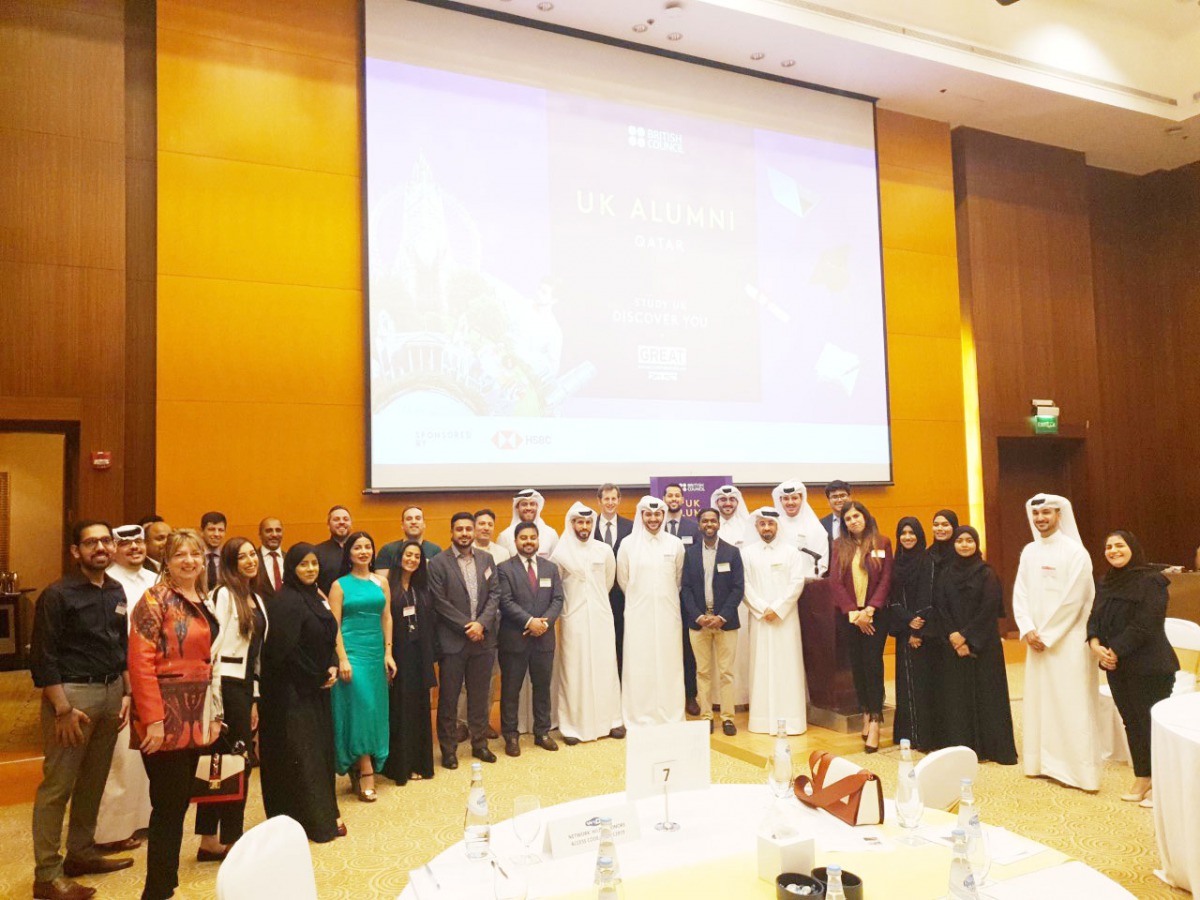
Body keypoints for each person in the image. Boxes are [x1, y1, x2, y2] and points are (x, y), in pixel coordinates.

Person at [30, 520, 134, 900]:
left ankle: (81, 853)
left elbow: (121, 648)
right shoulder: (57, 595)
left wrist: (126, 693)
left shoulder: (116, 590)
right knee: (58, 786)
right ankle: (47, 874)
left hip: (111, 694)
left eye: (106, 541)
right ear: (76, 551)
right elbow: (44, 657)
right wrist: (61, 709)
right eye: (91, 543)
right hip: (71, 699)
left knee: (93, 780)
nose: (101, 548)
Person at [128, 528, 222, 900]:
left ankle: (167, 884)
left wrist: (215, 713)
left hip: (196, 714)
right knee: (167, 806)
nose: (189, 561)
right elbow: (140, 662)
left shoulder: (205, 598)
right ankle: (156, 892)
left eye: (195, 555)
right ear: (166, 560)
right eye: (180, 554)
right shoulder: (154, 600)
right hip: (163, 716)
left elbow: (210, 661)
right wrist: (152, 719)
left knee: (181, 801)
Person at [1013, 493, 1100, 791]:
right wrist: (1027, 629)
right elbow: (1020, 593)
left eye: (1046, 513)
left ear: (1059, 515)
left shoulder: (1076, 553)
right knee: (1040, 702)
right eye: (1036, 514)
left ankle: (1078, 772)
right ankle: (1041, 763)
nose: (1041, 519)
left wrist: (1047, 635)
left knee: (1070, 703)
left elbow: (1075, 600)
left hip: (1067, 643)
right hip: (1036, 641)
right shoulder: (1029, 551)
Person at [259, 543, 344, 842]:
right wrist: (317, 675)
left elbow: (327, 637)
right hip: (291, 695)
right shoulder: (285, 602)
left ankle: (325, 815)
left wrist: (332, 666)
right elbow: (285, 652)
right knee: (302, 756)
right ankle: (308, 823)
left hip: (317, 690)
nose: (310, 569)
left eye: (314, 564)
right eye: (304, 565)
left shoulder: (316, 597)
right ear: (291, 569)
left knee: (320, 754)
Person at [1087, 530, 1179, 806]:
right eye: (1109, 547)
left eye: (1119, 545)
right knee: (1132, 723)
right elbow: (1095, 617)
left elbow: (1146, 624)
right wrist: (1094, 643)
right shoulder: (1107, 582)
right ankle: (1143, 777)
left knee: (1150, 724)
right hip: (1117, 667)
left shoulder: (1152, 581)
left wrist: (1114, 651)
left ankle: (1161, 783)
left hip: (1150, 666)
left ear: (1133, 548)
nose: (1113, 550)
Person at [196, 537, 269, 857]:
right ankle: (224, 839)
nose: (250, 560)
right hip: (223, 686)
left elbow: (255, 656)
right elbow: (214, 649)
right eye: (242, 557)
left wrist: (253, 698)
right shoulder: (224, 594)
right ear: (230, 562)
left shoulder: (254, 596)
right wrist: (217, 700)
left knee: (227, 762)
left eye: (253, 554)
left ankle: (212, 839)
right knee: (228, 762)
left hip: (243, 687)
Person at [933, 526, 1017, 765]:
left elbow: (988, 609)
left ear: (976, 543)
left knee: (987, 695)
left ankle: (992, 748)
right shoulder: (946, 573)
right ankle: (963, 747)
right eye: (960, 541)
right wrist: (953, 636)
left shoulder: (987, 573)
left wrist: (967, 637)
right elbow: (941, 607)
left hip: (984, 645)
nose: (965, 545)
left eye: (970, 540)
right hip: (954, 645)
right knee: (957, 696)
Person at [93, 525, 154, 854]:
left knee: (148, 752)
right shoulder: (108, 582)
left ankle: (142, 819)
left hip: (153, 676)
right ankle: (112, 832)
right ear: (114, 548)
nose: (134, 548)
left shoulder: (153, 577)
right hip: (124, 678)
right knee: (120, 757)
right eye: (126, 543)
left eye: (138, 542)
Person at [428, 513, 501, 768]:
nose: (465, 534)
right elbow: (439, 602)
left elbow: (495, 595)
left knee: (480, 697)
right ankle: (448, 750)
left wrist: (481, 623)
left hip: (483, 640)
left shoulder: (487, 559)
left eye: (468, 529)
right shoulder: (437, 563)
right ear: (451, 532)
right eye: (459, 529)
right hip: (453, 643)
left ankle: (480, 745)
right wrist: (467, 626)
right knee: (448, 699)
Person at [329, 532, 395, 801]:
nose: (364, 551)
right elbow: (333, 625)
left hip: (375, 652)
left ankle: (362, 763)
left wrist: (388, 653)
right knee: (361, 708)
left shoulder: (382, 582)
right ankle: (365, 768)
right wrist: (342, 658)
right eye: (358, 547)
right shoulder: (339, 585)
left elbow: (387, 617)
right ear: (350, 553)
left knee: (374, 710)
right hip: (352, 652)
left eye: (368, 546)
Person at [551, 503, 624, 745]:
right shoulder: (561, 553)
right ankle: (572, 726)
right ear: (571, 524)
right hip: (574, 619)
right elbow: (555, 587)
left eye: (587, 522)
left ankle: (611, 721)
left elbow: (609, 580)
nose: (584, 527)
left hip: (601, 616)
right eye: (579, 522)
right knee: (575, 669)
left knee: (605, 667)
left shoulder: (603, 550)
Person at [616, 496, 685, 726]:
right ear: (641, 515)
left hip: (668, 614)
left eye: (657, 514)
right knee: (639, 663)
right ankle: (639, 714)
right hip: (638, 614)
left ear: (663, 515)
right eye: (648, 514)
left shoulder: (675, 543)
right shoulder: (627, 544)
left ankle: (670, 712)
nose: (653, 519)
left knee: (669, 664)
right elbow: (623, 580)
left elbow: (678, 579)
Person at [830, 501, 893, 752]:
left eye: (856, 516)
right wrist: (854, 614)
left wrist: (870, 609)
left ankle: (876, 720)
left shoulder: (882, 542)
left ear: (865, 517)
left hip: (876, 616)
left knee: (873, 665)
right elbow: (835, 582)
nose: (853, 521)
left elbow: (887, 578)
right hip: (851, 617)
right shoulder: (838, 546)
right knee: (857, 667)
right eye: (848, 518)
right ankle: (865, 712)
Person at [497, 522, 564, 756]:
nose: (528, 542)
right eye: (523, 538)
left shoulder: (550, 568)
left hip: (543, 639)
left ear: (538, 540)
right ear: (515, 542)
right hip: (514, 638)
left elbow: (557, 599)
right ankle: (511, 735)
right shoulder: (504, 568)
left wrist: (543, 623)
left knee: (542, 687)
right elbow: (505, 601)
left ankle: (542, 732)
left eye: (532, 538)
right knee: (511, 689)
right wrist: (529, 622)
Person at [742, 508, 806, 734]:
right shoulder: (747, 553)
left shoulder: (792, 553)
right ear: (756, 527)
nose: (766, 528)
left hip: (785, 620)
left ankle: (792, 721)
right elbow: (744, 585)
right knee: (760, 667)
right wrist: (762, 608)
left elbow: (797, 583)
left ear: (778, 526)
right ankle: (760, 720)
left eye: (770, 523)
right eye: (762, 524)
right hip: (760, 620)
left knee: (787, 668)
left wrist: (778, 609)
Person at [682, 508, 745, 735]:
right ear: (699, 525)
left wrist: (722, 616)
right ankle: (707, 716)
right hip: (698, 623)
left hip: (725, 622)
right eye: (705, 521)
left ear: (719, 524)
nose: (709, 524)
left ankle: (728, 718)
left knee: (726, 673)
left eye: (713, 520)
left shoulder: (732, 552)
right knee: (703, 672)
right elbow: (686, 589)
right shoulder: (689, 554)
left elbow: (738, 588)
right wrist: (698, 615)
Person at [381, 541, 437, 784]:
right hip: (397, 655)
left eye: (416, 556)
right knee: (399, 709)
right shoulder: (387, 586)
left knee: (420, 709)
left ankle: (420, 763)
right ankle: (400, 766)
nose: (412, 559)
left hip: (419, 655)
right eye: (408, 555)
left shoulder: (421, 587)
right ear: (399, 557)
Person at [889, 517, 938, 752]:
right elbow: (892, 599)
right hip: (903, 628)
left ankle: (924, 736)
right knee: (904, 683)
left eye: (912, 532)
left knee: (922, 683)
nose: (907, 537)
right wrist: (907, 620)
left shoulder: (927, 560)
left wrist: (917, 629)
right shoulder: (896, 562)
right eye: (903, 533)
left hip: (922, 633)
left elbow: (927, 597)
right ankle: (906, 734)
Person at [662, 483, 701, 715]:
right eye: (670, 495)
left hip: (688, 598)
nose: (674, 498)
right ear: (664, 498)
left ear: (683, 500)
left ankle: (690, 696)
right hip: (662, 597)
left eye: (678, 495)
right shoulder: (655, 526)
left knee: (689, 648)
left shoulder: (693, 528)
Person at [593, 484, 632, 676]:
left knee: (622, 639)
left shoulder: (631, 526)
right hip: (596, 593)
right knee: (599, 640)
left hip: (623, 595)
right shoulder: (588, 526)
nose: (610, 503)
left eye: (613, 499)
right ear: (599, 501)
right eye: (606, 499)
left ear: (619, 500)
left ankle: (622, 683)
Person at [772, 480, 829, 577]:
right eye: (786, 499)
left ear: (802, 499)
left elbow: (821, 562)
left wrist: (800, 583)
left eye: (794, 498)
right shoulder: (774, 526)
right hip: (779, 584)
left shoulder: (815, 527)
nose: (790, 502)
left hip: (808, 585)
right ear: (780, 500)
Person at [376, 506, 442, 578]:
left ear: (424, 524)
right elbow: (381, 584)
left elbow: (440, 580)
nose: (413, 522)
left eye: (418, 518)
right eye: (409, 519)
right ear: (402, 525)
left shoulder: (435, 551)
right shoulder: (387, 550)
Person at [497, 489, 558, 558]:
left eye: (532, 504)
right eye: (524, 504)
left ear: (537, 506)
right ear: (517, 507)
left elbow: (555, 565)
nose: (528, 508)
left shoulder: (551, 534)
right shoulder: (505, 536)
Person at [314, 505, 353, 594]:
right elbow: (313, 584)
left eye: (346, 519)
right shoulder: (317, 552)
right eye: (336, 519)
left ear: (351, 523)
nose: (342, 522)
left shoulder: (362, 551)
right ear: (328, 525)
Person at [710, 484, 751, 548]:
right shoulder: (709, 526)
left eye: (732, 499)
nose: (728, 503)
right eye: (723, 499)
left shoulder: (747, 526)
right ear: (716, 503)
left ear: (738, 502)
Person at [257, 517, 285, 595]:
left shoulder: (290, 559)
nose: (274, 534)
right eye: (269, 531)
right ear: (260, 534)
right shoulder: (253, 559)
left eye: (278, 530)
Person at [199, 511, 227, 587]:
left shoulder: (228, 557)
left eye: (221, 530)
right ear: (201, 531)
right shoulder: (194, 557)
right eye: (211, 529)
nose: (216, 534)